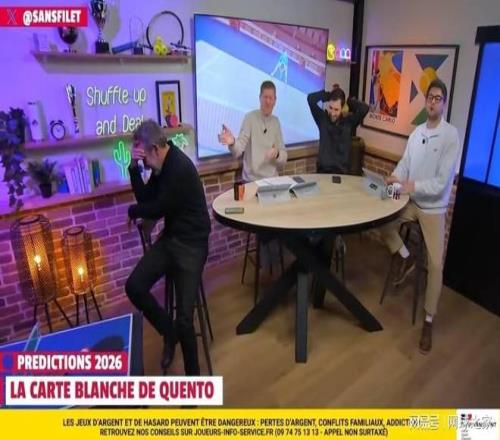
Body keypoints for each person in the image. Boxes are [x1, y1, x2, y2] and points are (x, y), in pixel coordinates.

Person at [380, 78, 461, 354]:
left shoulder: (451, 136)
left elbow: (440, 183)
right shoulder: (416, 134)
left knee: (436, 265)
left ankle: (428, 320)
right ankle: (404, 255)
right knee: (382, 221)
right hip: (410, 200)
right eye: (430, 98)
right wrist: (395, 177)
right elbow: (405, 164)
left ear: (444, 103)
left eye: (438, 98)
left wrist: (410, 186)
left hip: (433, 209)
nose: (433, 102)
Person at [125, 120, 211, 375]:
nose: (145, 163)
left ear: (154, 148)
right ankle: (168, 331)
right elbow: (145, 197)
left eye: (144, 158)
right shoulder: (161, 164)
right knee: (134, 286)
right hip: (172, 238)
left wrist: (132, 211)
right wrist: (133, 168)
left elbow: (157, 208)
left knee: (185, 320)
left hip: (193, 243)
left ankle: (194, 381)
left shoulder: (178, 167)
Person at [219, 80, 288, 182]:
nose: (268, 101)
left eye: (270, 98)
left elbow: (283, 158)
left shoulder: (276, 122)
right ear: (260, 98)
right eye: (265, 97)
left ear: (275, 101)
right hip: (251, 181)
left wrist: (277, 154)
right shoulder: (250, 118)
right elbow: (238, 151)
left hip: (272, 180)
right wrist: (232, 142)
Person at [307, 86, 369, 174]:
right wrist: (328, 95)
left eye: (336, 110)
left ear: (342, 108)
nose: (332, 113)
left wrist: (349, 101)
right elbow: (310, 99)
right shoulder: (322, 119)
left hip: (342, 174)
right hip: (322, 172)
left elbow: (364, 108)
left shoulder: (349, 123)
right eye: (330, 108)